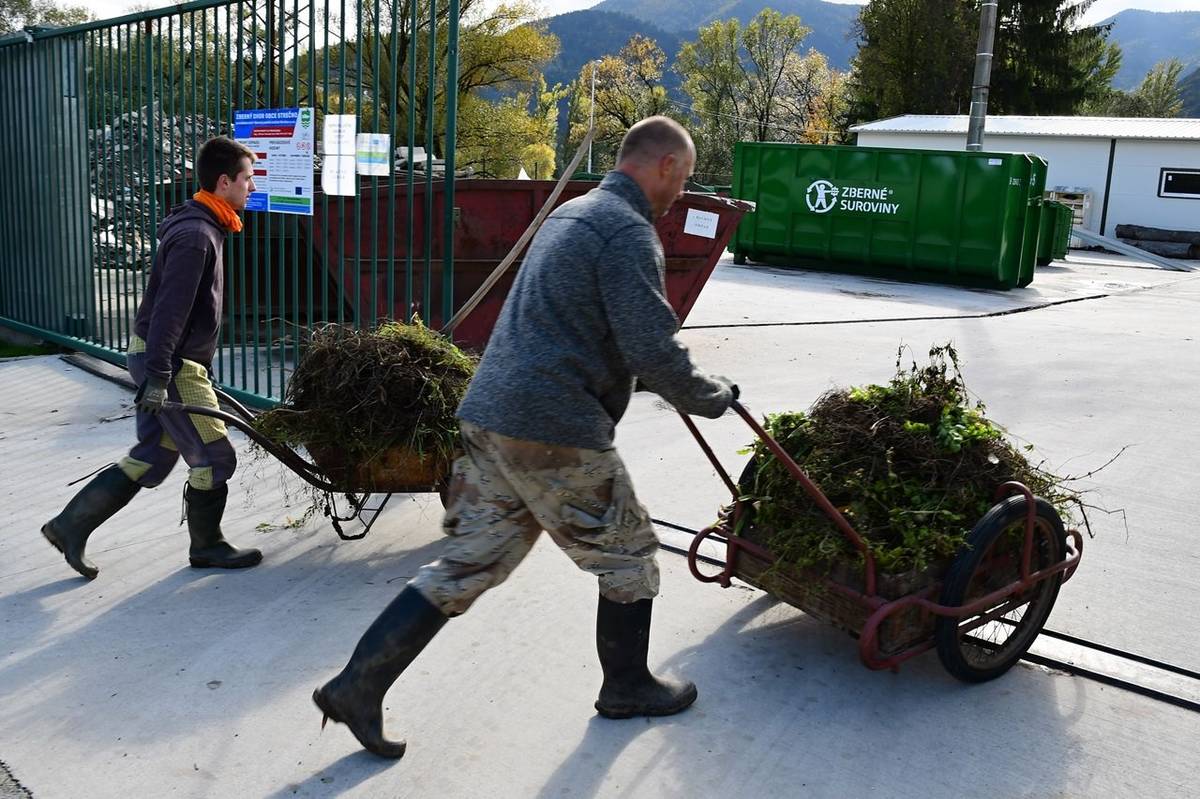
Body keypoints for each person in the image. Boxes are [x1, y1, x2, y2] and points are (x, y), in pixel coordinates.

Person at [313, 116, 737, 759]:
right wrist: (710, 395)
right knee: (628, 555)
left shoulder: (572, 213)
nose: (681, 194)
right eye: (682, 178)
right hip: (553, 429)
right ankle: (627, 685)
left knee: (468, 561)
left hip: (491, 414)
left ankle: (358, 684)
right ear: (665, 167)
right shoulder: (626, 231)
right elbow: (651, 344)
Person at [41, 136, 263, 580]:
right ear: (224, 182)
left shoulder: (204, 225)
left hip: (169, 359)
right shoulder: (197, 236)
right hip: (171, 363)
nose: (252, 187)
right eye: (248, 178)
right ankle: (208, 545)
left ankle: (69, 526)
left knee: (153, 455)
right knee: (216, 458)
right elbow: (169, 312)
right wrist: (161, 376)